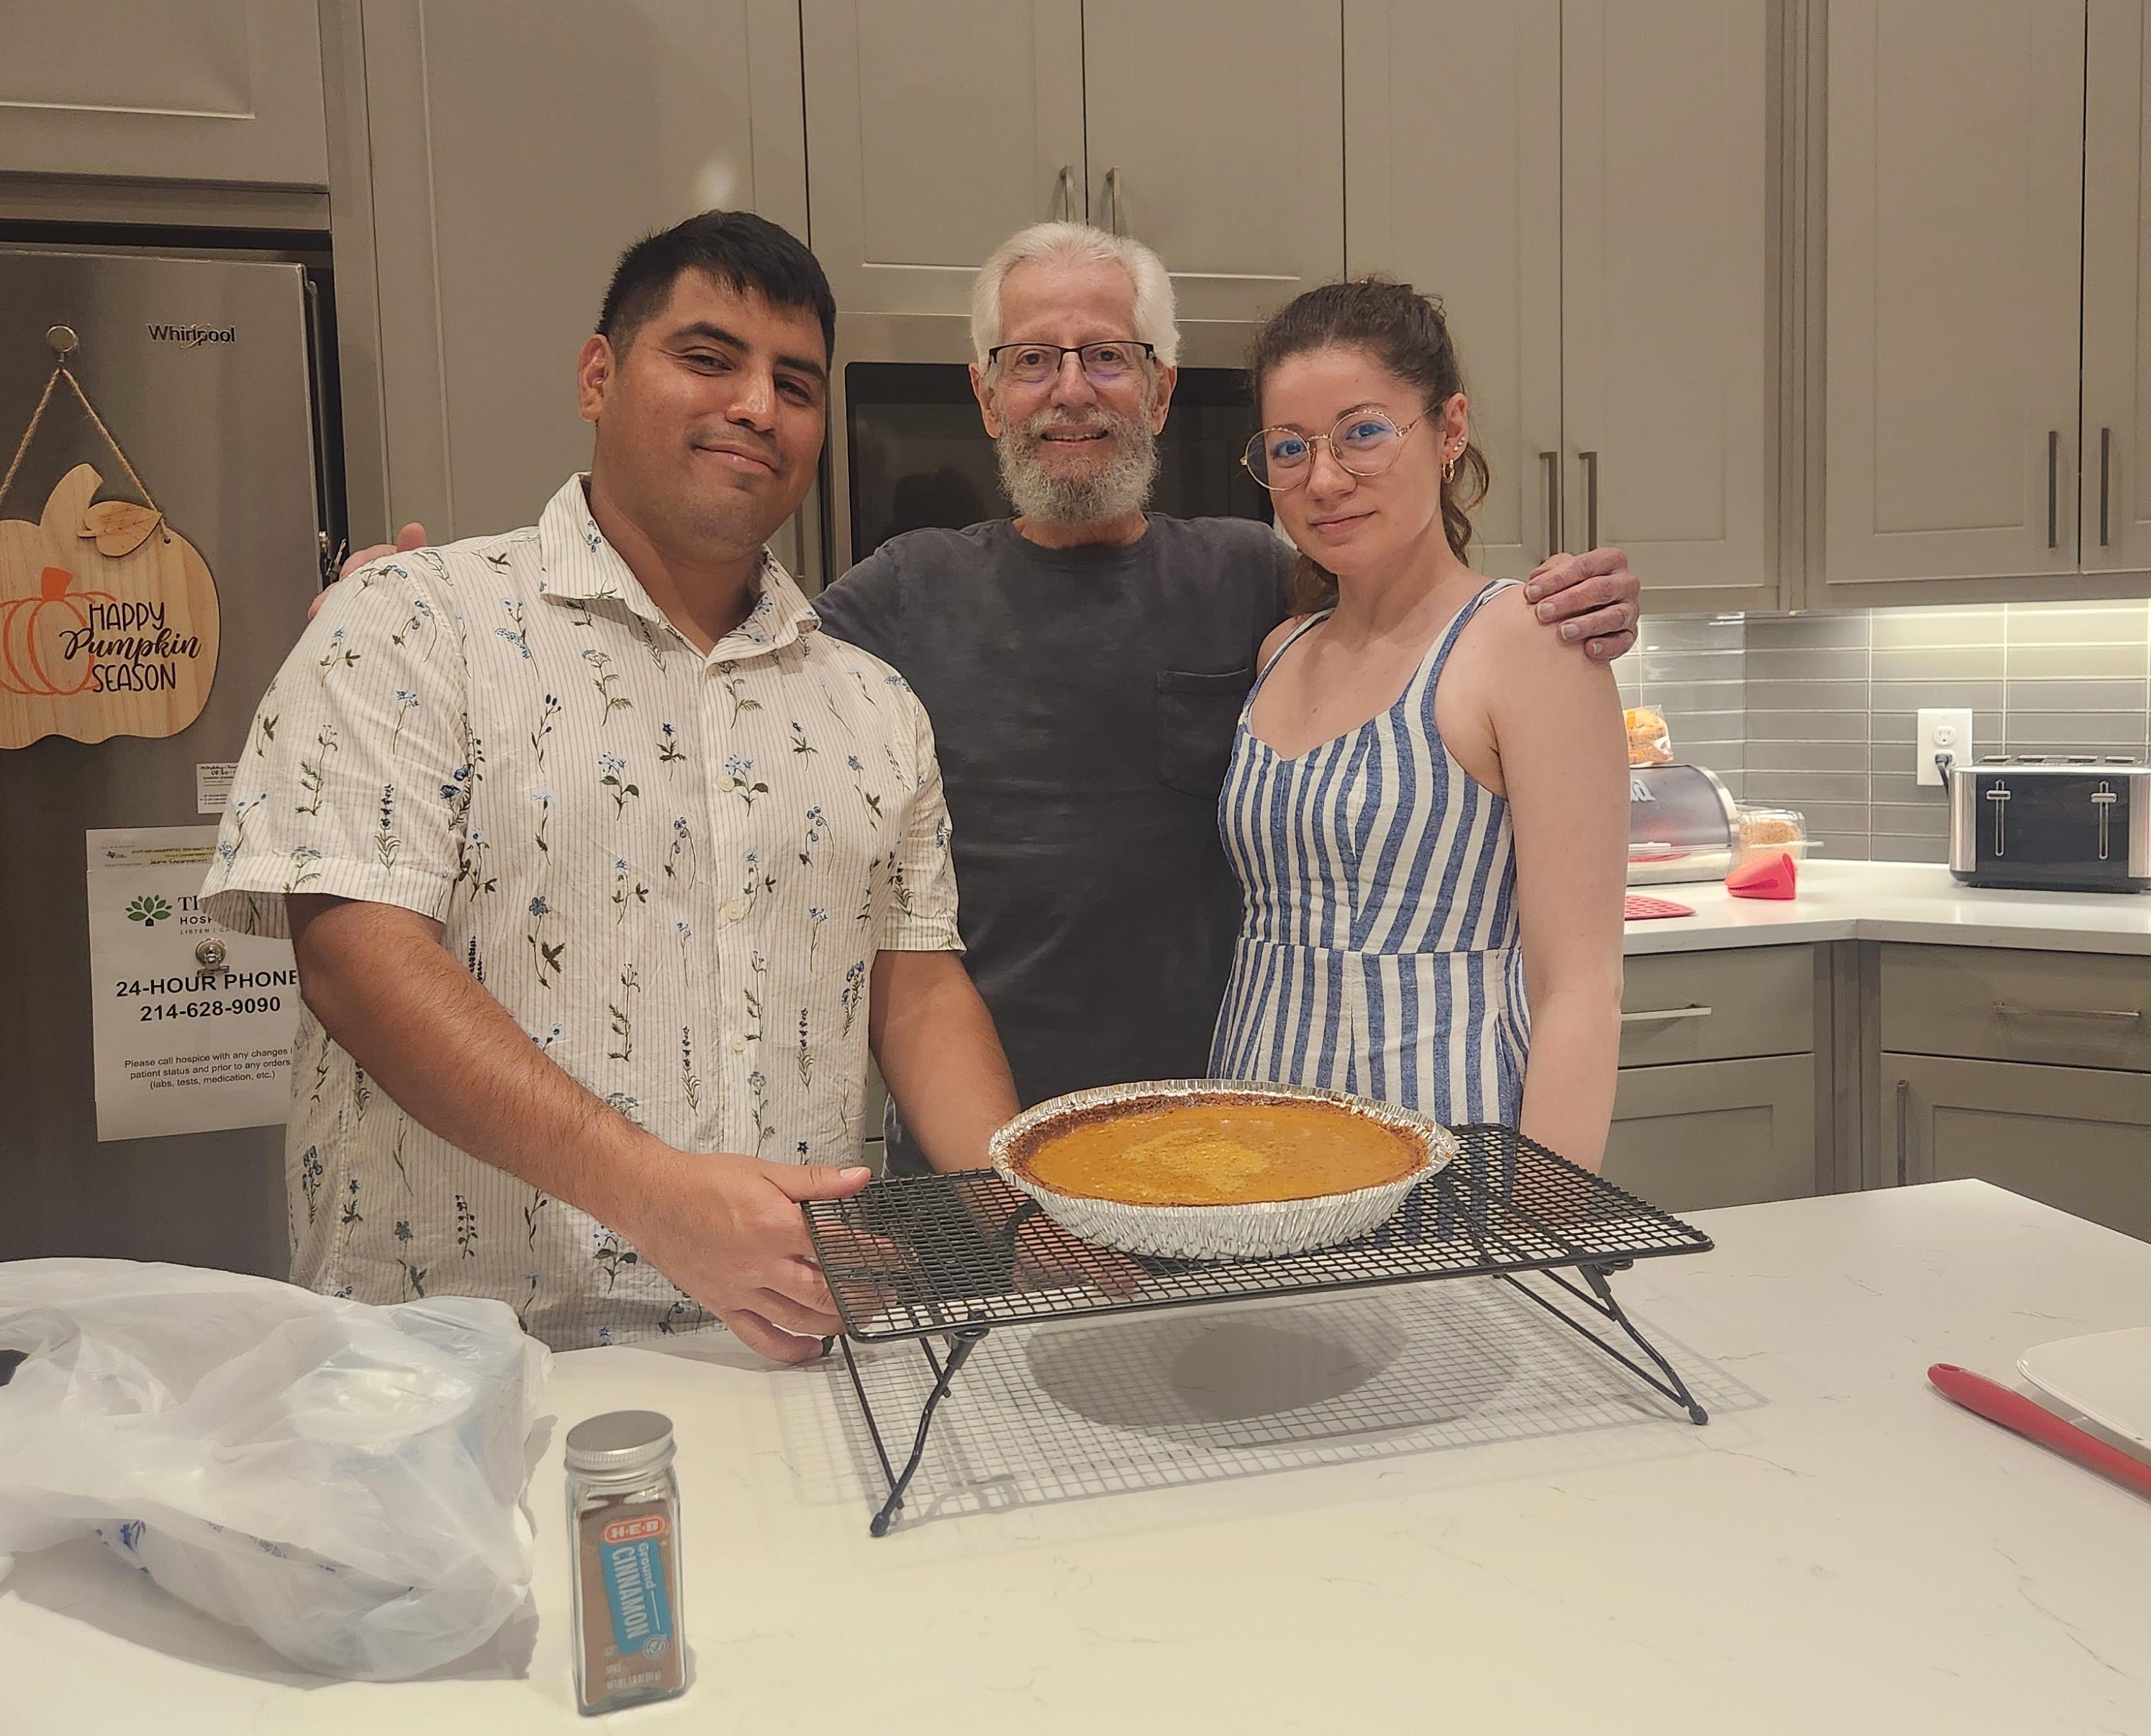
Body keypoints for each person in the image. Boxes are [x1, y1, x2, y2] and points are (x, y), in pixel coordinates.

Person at [326, 220, 1641, 1173]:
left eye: (1107, 356)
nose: (1071, 390)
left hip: (1221, 1130)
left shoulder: (1255, 581)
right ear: (985, 393)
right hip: (975, 1144)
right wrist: (456, 613)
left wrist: (1568, 608)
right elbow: (704, 664)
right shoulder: (901, 595)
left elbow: (1410, 598)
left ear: (1160, 388)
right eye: (1030, 359)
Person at [208, 212, 1019, 1357]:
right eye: (708, 358)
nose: (757, 405)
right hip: (459, 1363)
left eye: (795, 384)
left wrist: (1027, 1219)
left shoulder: (872, 705)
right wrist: (654, 1197)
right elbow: (357, 961)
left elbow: (918, 991)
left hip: (782, 1346)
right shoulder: (411, 624)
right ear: (599, 376)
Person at [1210, 279, 1626, 1169]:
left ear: (1449, 430)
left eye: (1363, 432)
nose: (1325, 480)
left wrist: (1543, 1224)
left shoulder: (1529, 643)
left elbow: (1580, 989)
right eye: (1290, 448)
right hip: (1253, 1153)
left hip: (1445, 1163)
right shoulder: (1282, 649)